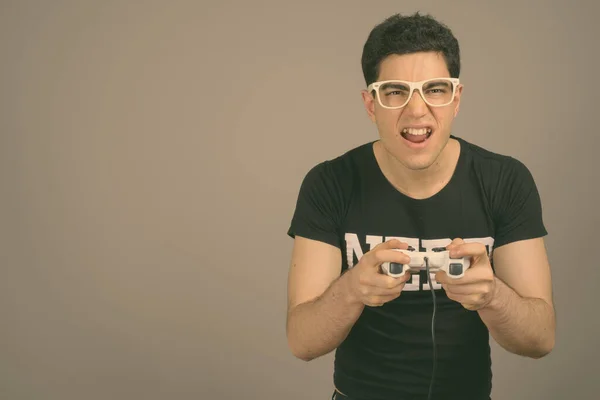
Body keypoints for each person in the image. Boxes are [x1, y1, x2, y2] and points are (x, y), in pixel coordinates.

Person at [284, 11, 556, 400]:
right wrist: (352, 290)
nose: (416, 110)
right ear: (370, 104)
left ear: (456, 98)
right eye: (395, 91)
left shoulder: (505, 180)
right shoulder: (330, 183)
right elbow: (301, 342)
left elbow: (540, 338)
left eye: (435, 89)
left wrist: (492, 295)